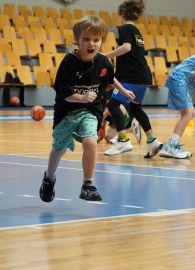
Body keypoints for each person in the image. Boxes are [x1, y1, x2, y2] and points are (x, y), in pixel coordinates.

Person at [39, 15, 135, 203]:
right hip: (66, 111)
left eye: (96, 40)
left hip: (90, 110)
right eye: (86, 39)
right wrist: (81, 97)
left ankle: (88, 185)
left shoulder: (104, 62)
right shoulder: (68, 62)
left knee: (91, 142)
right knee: (58, 149)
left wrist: (123, 90)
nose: (91, 44)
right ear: (77, 40)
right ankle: (49, 178)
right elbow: (64, 93)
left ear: (102, 41)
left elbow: (109, 79)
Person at [103, 0, 163, 158]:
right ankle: (152, 140)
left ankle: (123, 140)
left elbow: (127, 48)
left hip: (131, 75)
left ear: (121, 14)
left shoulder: (124, 28)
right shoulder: (137, 31)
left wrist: (106, 56)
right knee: (136, 108)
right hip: (143, 75)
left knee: (114, 105)